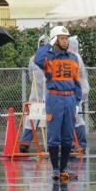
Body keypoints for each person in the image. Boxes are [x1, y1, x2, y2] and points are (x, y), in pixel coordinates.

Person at [35, 26, 81, 182]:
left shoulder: (73, 58)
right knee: (54, 137)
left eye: (66, 38)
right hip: (54, 99)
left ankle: (64, 169)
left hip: (69, 99)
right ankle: (55, 169)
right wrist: (48, 45)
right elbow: (38, 59)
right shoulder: (49, 58)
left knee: (68, 137)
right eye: (61, 38)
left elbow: (76, 81)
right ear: (56, 39)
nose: (65, 40)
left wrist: (77, 102)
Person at [19, 35, 48, 153]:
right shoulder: (33, 59)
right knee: (33, 117)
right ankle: (25, 143)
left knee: (54, 118)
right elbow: (31, 76)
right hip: (37, 93)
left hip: (51, 93)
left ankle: (53, 144)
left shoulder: (54, 58)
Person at [68, 36, 90, 152]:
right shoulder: (77, 56)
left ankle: (80, 144)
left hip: (76, 91)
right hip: (78, 90)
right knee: (75, 117)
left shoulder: (74, 57)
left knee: (76, 118)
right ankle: (76, 143)